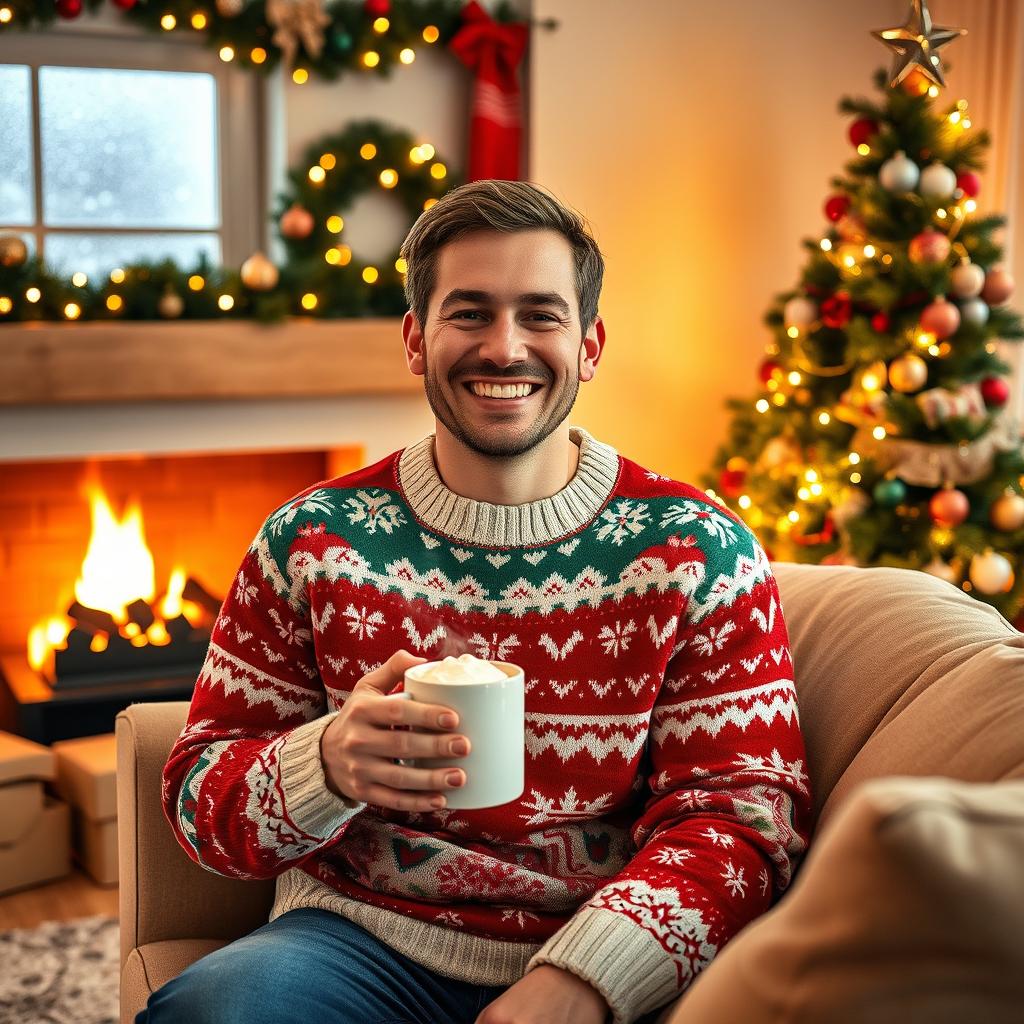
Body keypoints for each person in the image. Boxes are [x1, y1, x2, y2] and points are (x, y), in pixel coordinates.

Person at [137, 180, 813, 1024]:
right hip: (354, 944)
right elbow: (200, 796)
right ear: (416, 340)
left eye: (540, 314)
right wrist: (322, 765)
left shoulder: (697, 550)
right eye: (469, 313)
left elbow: (743, 822)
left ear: (590, 344)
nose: (504, 347)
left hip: (612, 947)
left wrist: (585, 980)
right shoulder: (312, 537)